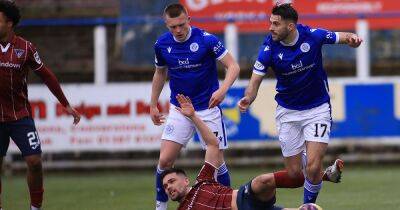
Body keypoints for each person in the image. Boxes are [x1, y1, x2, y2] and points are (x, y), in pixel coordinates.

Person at [237, 3, 360, 204]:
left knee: (312, 167)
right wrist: (248, 98)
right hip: (288, 112)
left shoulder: (313, 35)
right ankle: (326, 175)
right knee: (294, 173)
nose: (270, 28)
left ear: (291, 26)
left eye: (276, 24)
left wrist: (353, 39)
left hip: (317, 109)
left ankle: (306, 206)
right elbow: (255, 81)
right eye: (270, 23)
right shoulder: (268, 48)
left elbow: (343, 36)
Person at [161, 94, 342, 210]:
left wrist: (193, 117)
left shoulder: (202, 181)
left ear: (185, 180)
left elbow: (213, 145)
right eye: (165, 187)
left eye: (171, 181)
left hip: (245, 199)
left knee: (261, 181)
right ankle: (320, 183)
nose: (168, 187)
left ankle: (322, 176)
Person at [151, 3, 240, 210]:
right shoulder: (162, 44)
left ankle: (228, 204)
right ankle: (160, 207)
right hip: (179, 109)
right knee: (164, 160)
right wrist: (153, 104)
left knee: (217, 163)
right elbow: (160, 73)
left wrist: (223, 89)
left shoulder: (206, 39)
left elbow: (233, 66)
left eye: (181, 25)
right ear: (166, 25)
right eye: (173, 27)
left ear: (189, 20)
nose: (178, 31)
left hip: (207, 108)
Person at [0, 1, 81, 210]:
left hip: (20, 116)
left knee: (35, 162)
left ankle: (35, 207)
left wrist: (66, 104)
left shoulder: (26, 48)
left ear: (9, 23)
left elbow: (47, 76)